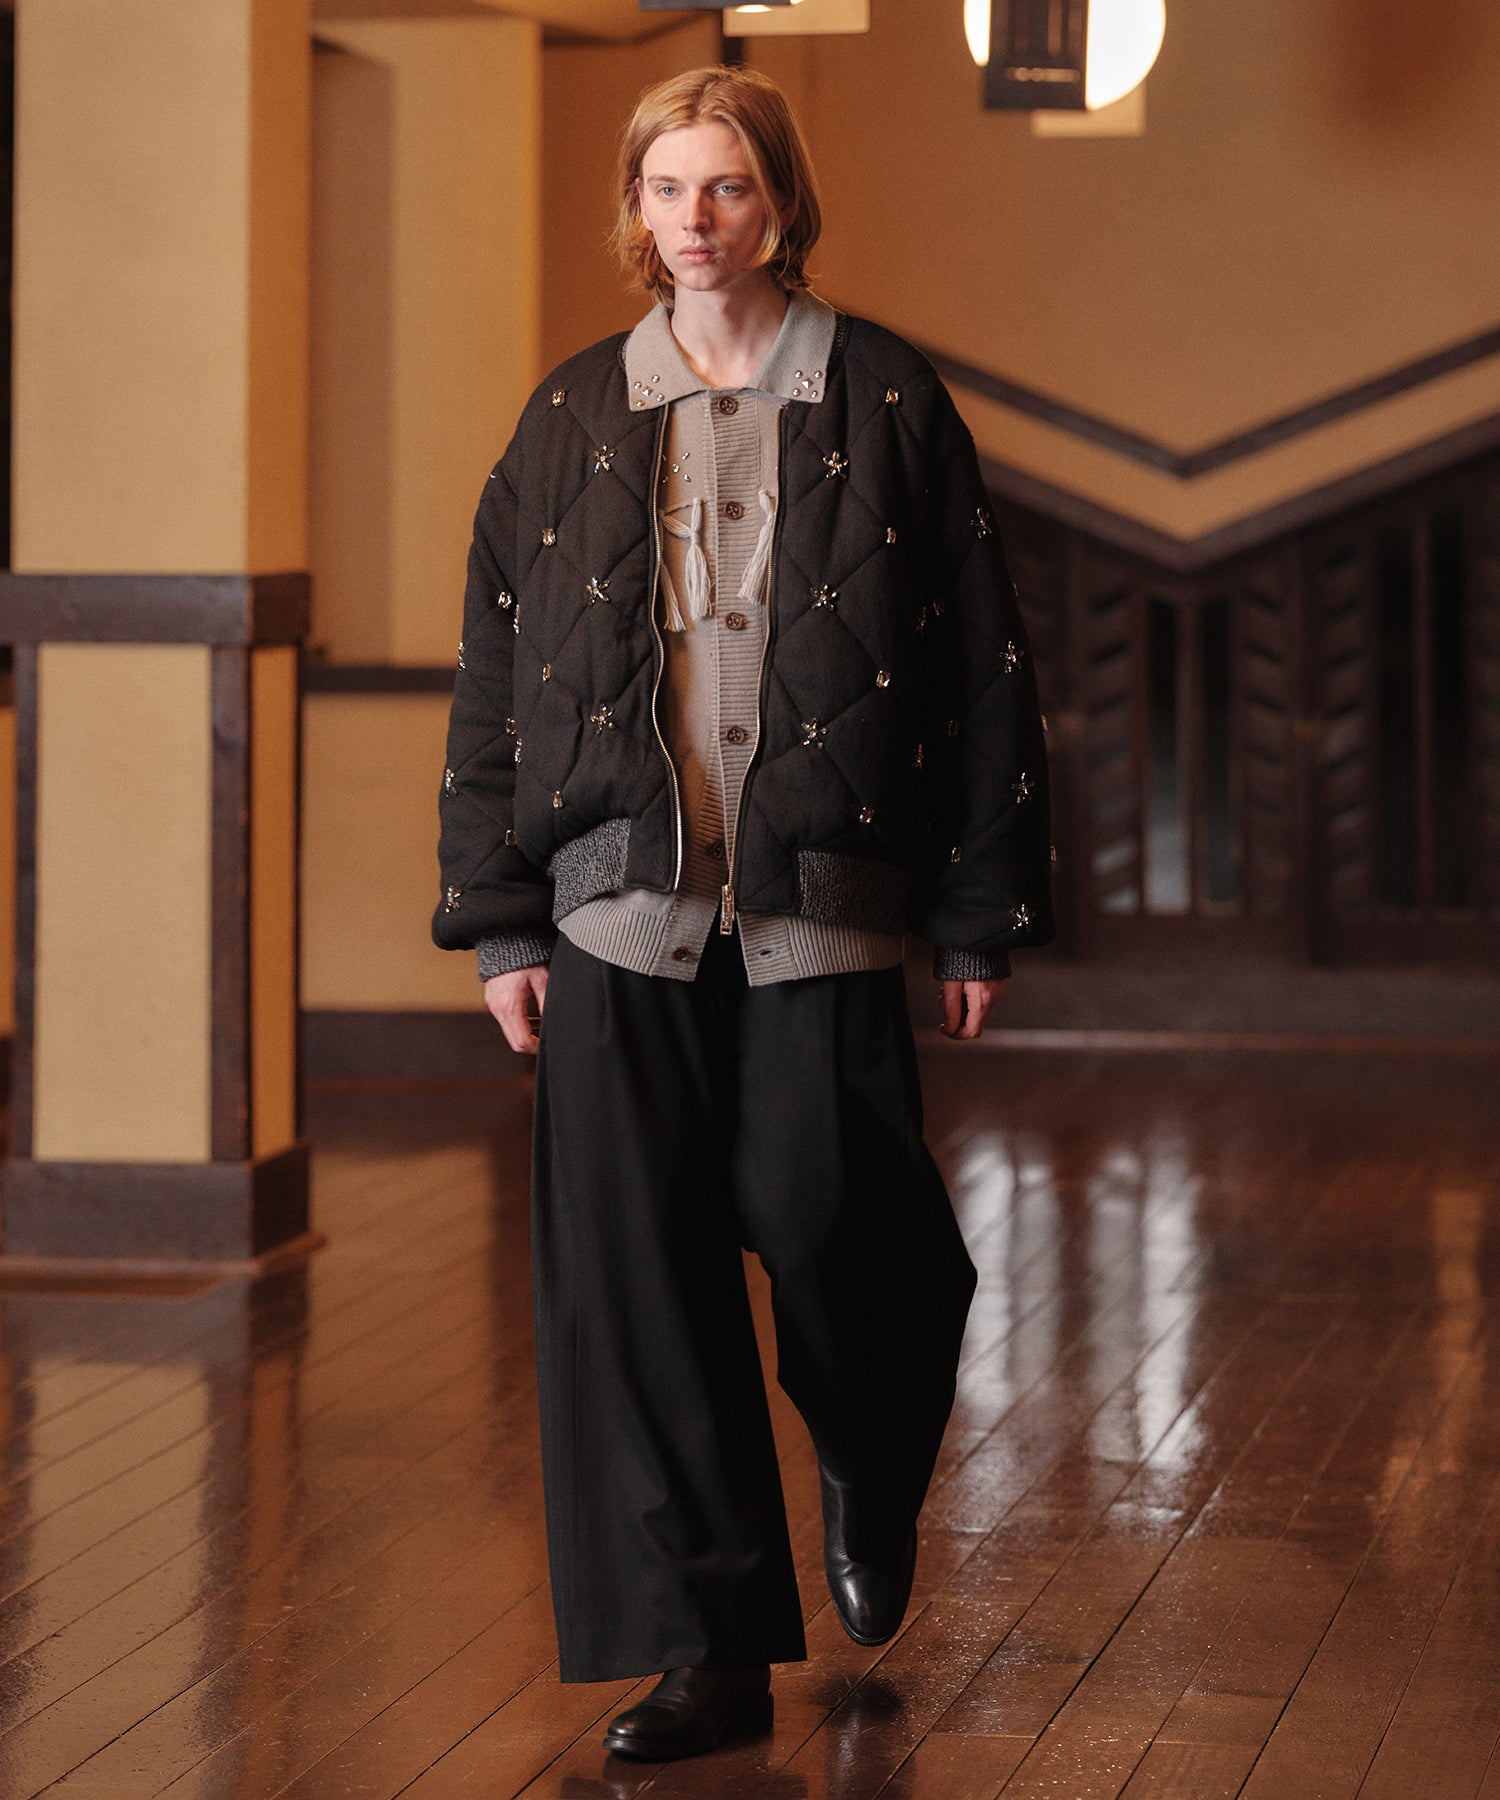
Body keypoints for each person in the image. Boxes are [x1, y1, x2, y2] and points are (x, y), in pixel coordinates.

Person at [433, 64, 1053, 1762]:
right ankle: (700, 1653)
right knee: (640, 1283)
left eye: (726, 187)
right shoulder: (572, 413)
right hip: (613, 908)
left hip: (819, 905)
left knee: (836, 1220)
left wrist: (979, 911)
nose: (695, 220)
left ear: (779, 201)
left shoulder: (888, 396)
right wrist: (502, 921)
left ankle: (868, 1441)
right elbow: (498, 670)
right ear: (634, 209)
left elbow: (983, 663)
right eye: (666, 189)